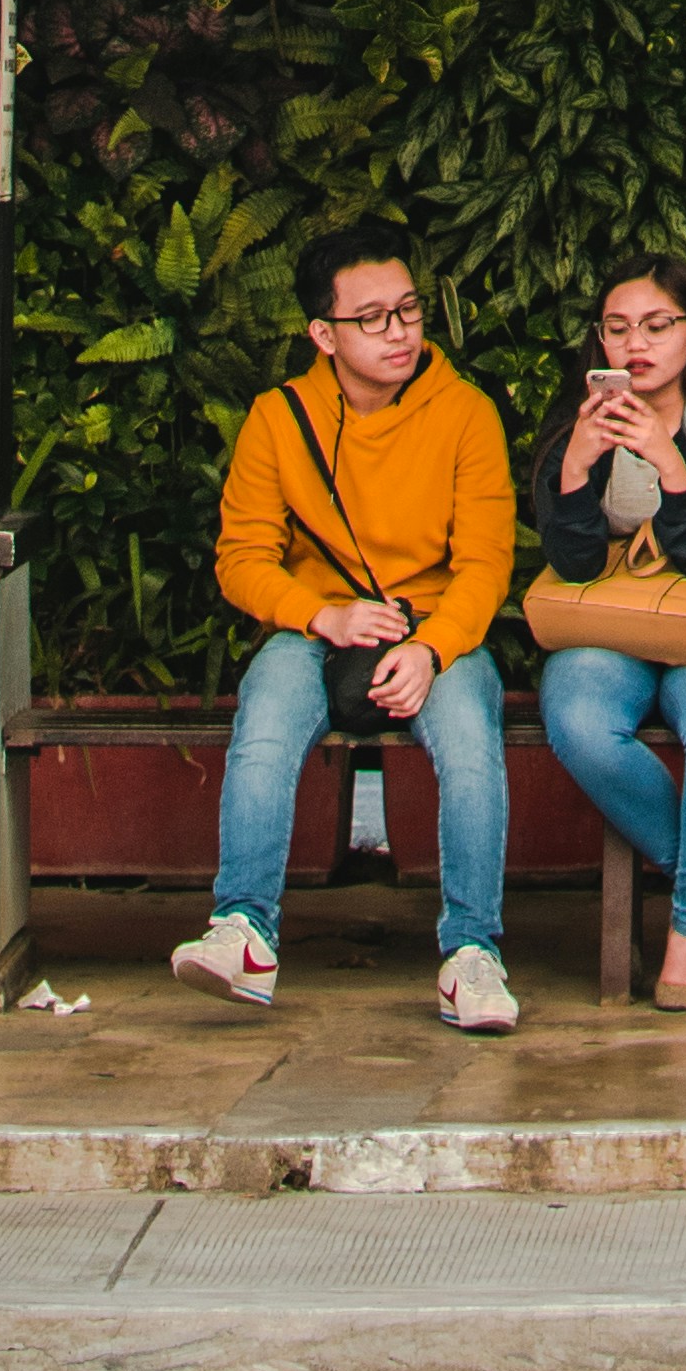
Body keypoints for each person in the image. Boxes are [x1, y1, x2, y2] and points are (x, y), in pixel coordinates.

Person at [173, 220, 521, 1033]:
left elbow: (485, 564)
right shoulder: (278, 417)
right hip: (317, 628)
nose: (398, 332)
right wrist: (319, 612)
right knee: (264, 718)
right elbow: (242, 557)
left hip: (438, 630)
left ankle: (473, 952)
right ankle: (245, 932)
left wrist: (431, 647)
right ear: (322, 334)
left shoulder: (465, 414)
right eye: (371, 318)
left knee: (471, 740)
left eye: (408, 310)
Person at [530, 258, 686, 1015]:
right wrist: (575, 468)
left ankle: (684, 935)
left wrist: (671, 463)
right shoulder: (576, 418)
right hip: (608, 626)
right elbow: (573, 563)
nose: (634, 343)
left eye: (655, 325)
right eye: (617, 328)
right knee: (575, 715)